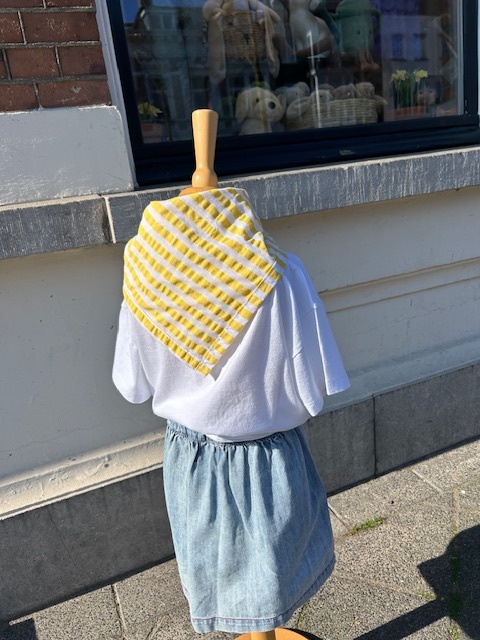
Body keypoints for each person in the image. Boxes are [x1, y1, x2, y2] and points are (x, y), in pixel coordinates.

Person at [112, 185, 350, 634]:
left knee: (220, 568)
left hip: (192, 461)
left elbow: (132, 385)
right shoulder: (281, 271)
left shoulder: (143, 277)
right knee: (276, 570)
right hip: (270, 457)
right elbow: (317, 384)